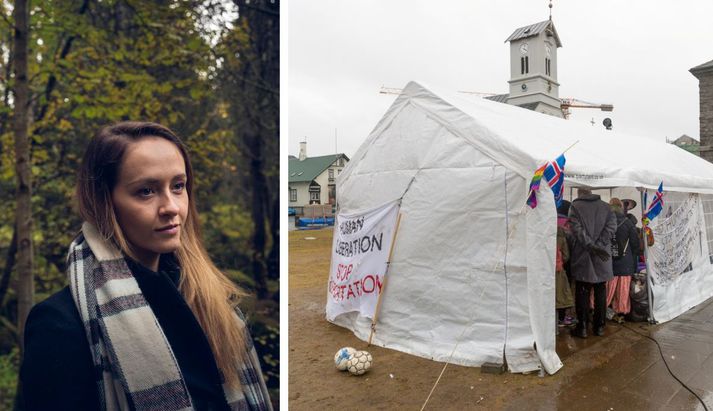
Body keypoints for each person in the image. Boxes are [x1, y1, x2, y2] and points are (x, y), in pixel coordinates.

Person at [20, 122, 272, 410]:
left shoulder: (207, 299)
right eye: (146, 191)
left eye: (178, 186)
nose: (171, 207)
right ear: (104, 202)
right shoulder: (60, 324)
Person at [568, 188, 617, 338]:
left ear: (579, 193)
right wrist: (598, 246)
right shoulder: (606, 207)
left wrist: (591, 246)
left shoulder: (575, 207)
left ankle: (582, 327)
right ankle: (599, 327)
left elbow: (576, 230)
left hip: (584, 254)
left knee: (582, 292)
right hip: (601, 256)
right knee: (600, 291)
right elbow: (611, 228)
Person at [607, 198, 640, 323]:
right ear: (621, 208)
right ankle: (620, 313)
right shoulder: (628, 223)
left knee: (608, 289)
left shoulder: (605, 221)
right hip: (625, 262)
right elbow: (635, 244)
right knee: (622, 290)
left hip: (608, 262)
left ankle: (602, 310)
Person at [555, 200, 575, 328]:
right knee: (561, 294)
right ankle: (562, 319)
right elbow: (567, 255)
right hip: (560, 268)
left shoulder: (545, 224)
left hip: (545, 268)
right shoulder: (566, 228)